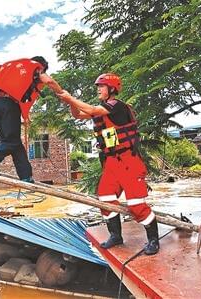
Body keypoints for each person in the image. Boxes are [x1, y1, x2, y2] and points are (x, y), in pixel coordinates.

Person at [57, 73, 159, 255]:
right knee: (104, 198)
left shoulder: (116, 106)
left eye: (101, 87)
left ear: (112, 89)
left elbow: (94, 111)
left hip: (129, 161)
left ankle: (153, 240)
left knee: (136, 205)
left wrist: (71, 98)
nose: (98, 89)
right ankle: (116, 235)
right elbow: (79, 115)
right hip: (111, 162)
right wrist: (70, 103)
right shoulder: (101, 110)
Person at [0, 56, 63, 182]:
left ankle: (26, 176)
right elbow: (49, 81)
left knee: (13, 142)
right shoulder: (36, 68)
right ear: (41, 66)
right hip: (8, 104)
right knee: (12, 142)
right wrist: (63, 95)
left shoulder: (8, 67)